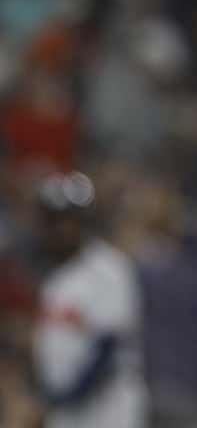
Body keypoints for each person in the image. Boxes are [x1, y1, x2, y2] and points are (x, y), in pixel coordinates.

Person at [31, 171, 148, 428]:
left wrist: (61, 398)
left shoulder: (110, 271)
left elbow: (108, 350)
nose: (62, 229)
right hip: (68, 413)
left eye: (69, 220)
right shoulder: (54, 282)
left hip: (108, 412)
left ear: (84, 222)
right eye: (55, 220)